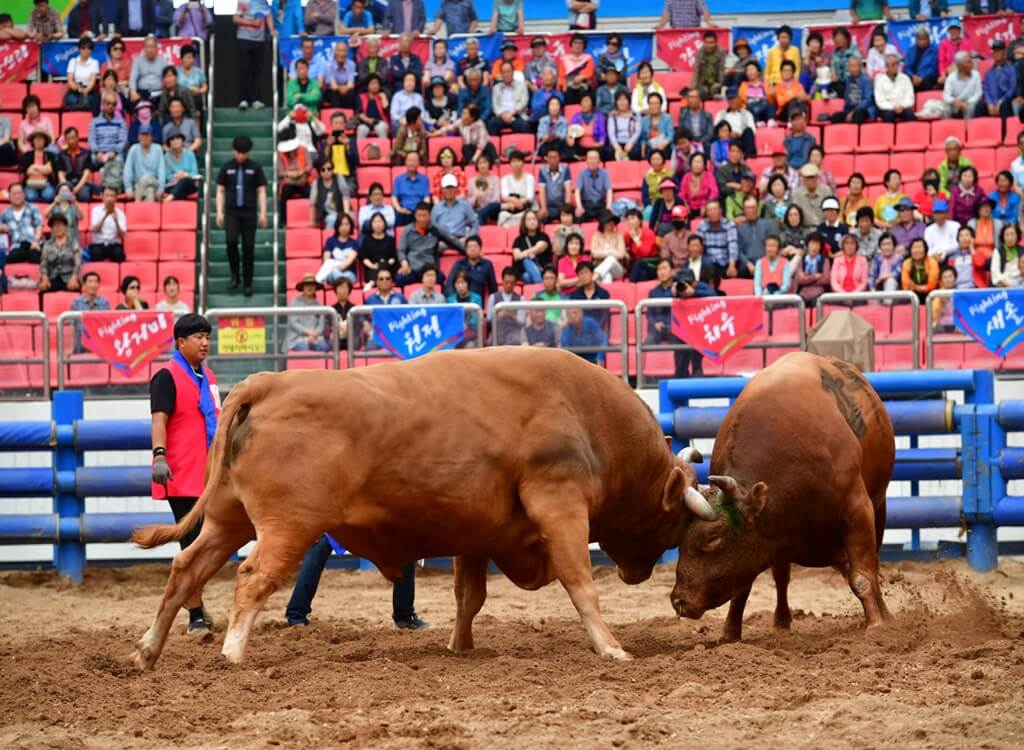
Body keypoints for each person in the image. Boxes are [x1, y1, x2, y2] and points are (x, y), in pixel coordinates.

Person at [149, 314, 219, 638]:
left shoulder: (209, 378)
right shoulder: (167, 376)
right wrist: (159, 456)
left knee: (202, 546)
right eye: (198, 337)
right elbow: (159, 420)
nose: (205, 342)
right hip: (181, 476)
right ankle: (194, 615)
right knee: (191, 547)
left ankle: (197, 607)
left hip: (208, 476)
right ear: (181, 342)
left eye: (207, 336)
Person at [216, 136, 268, 296]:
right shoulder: (226, 168)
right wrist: (219, 212)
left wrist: (263, 212)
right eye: (238, 153)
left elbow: (261, 191)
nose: (241, 156)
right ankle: (234, 274)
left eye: (244, 153)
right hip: (232, 211)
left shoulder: (255, 168)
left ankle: (247, 282)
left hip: (249, 212)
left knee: (248, 247)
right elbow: (220, 190)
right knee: (231, 242)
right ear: (234, 151)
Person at [397, 203, 464, 286]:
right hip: (412, 269)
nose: (421, 219)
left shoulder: (436, 229)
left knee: (441, 278)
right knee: (399, 278)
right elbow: (401, 250)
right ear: (415, 216)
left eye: (424, 216)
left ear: (430, 216)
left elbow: (453, 241)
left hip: (430, 270)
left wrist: (467, 251)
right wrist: (404, 263)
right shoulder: (408, 230)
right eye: (419, 215)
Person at [234, 0, 274, 111]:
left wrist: (272, 30)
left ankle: (256, 99)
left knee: (257, 71)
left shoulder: (263, 2)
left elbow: (268, 15)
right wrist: (252, 23)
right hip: (244, 39)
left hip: (259, 41)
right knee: (244, 70)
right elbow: (235, 18)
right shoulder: (243, 1)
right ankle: (243, 99)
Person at [89, 94, 128, 192]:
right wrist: (97, 152)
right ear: (103, 104)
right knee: (87, 161)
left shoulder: (121, 122)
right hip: (99, 154)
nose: (111, 106)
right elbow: (92, 139)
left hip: (114, 154)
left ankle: (111, 188)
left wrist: (114, 152)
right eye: (108, 103)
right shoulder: (95, 121)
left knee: (120, 160)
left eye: (114, 104)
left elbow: (123, 141)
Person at [37, 214, 80, 295]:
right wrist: (45, 277)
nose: (57, 228)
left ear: (66, 226)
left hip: (69, 277)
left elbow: (78, 263)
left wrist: (74, 277)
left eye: (60, 225)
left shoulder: (73, 243)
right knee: (43, 290)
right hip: (52, 277)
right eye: (55, 226)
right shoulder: (47, 244)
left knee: (75, 289)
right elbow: (43, 263)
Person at [285, 274, 330, 352]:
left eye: (312, 285)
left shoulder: (320, 306)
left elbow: (321, 326)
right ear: (303, 287)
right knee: (304, 348)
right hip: (297, 338)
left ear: (315, 287)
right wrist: (307, 332)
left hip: (316, 337)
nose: (310, 287)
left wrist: (314, 334)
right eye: (307, 285)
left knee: (324, 347)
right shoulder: (294, 302)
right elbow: (293, 323)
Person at [432, 174, 479, 244]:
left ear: (456, 189)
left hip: (460, 239)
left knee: (471, 246)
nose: (449, 190)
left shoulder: (465, 205)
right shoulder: (436, 207)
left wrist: (468, 237)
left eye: (452, 188)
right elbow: (432, 226)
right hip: (442, 240)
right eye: (447, 188)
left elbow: (474, 223)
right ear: (442, 190)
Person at [736, 195, 776, 279]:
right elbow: (739, 251)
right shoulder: (740, 228)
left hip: (766, 262)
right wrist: (748, 264)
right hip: (748, 266)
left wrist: (763, 264)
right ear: (744, 210)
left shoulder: (768, 224)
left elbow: (774, 246)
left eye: (753, 207)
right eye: (747, 208)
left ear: (757, 208)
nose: (750, 210)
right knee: (742, 268)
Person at [124, 124, 165, 202]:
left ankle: (137, 204)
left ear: (151, 137)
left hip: (154, 182)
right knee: (149, 191)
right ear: (138, 137)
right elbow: (128, 169)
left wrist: (161, 188)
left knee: (146, 180)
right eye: (142, 135)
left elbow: (161, 169)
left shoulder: (158, 149)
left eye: (147, 135)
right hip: (139, 185)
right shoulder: (133, 149)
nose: (144, 138)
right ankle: (147, 211)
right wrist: (128, 188)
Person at [309, 159, 352, 230]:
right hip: (325, 213)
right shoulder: (316, 183)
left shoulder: (339, 178)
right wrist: (312, 221)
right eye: (323, 170)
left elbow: (345, 196)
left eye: (329, 169)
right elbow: (312, 203)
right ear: (319, 171)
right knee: (332, 219)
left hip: (341, 210)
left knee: (351, 219)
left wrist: (346, 214)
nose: (326, 172)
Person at [981, 39, 1018, 119]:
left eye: (998, 51)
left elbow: (1012, 89)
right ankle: (977, 131)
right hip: (992, 103)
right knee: (979, 107)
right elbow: (986, 89)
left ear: (1004, 52)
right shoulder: (989, 73)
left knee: (1005, 105)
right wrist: (989, 103)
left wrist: (1000, 102)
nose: (996, 53)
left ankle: (1004, 131)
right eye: (995, 51)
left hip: (1004, 102)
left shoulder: (1011, 69)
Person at [489, 61, 530, 135]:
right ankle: (494, 146)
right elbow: (495, 105)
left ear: (513, 72)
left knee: (523, 126)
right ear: (501, 74)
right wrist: (502, 115)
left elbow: (524, 102)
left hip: (517, 114)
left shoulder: (522, 85)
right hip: (501, 115)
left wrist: (511, 113)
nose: (506, 74)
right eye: (504, 72)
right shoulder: (496, 88)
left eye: (508, 71)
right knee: (492, 124)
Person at [831, 57, 875, 124]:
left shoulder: (866, 80)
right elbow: (847, 97)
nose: (852, 69)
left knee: (857, 116)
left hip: (864, 109)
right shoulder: (848, 79)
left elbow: (867, 100)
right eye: (850, 67)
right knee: (835, 117)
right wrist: (848, 111)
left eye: (854, 66)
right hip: (850, 109)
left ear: (860, 67)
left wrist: (853, 112)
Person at [359, 211, 399, 285]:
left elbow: (393, 257)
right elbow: (363, 257)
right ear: (371, 224)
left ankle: (372, 283)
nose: (378, 224)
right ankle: (372, 281)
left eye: (380, 221)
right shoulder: (366, 240)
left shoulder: (390, 239)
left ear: (384, 223)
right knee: (377, 269)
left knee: (384, 266)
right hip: (372, 269)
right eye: (375, 222)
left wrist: (384, 264)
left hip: (387, 269)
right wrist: (373, 266)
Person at [88, 185, 126, 263]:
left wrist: (116, 221)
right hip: (99, 244)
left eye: (112, 196)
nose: (109, 198)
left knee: (119, 255)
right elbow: (95, 230)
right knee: (96, 255)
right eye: (107, 195)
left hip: (114, 244)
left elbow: (122, 235)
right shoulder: (96, 210)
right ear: (102, 197)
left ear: (116, 198)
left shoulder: (120, 213)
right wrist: (105, 216)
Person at [498, 151, 535, 227]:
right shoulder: (505, 179)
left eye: (518, 161)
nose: (516, 164)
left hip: (525, 208)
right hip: (510, 208)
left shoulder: (529, 177)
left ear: (523, 163)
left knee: (529, 216)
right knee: (502, 215)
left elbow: (529, 197)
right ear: (510, 164)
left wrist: (519, 203)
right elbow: (504, 196)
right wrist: (515, 202)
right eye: (513, 161)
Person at [319, 214, 359, 285]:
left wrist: (338, 267)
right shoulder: (330, 241)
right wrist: (336, 269)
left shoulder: (354, 243)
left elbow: (348, 263)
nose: (344, 227)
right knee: (336, 273)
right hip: (332, 272)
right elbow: (326, 260)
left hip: (349, 272)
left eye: (346, 224)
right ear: (337, 226)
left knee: (347, 276)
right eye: (341, 224)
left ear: (351, 226)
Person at [875, 54, 916, 123]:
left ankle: (908, 133)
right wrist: (892, 107)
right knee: (888, 115)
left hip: (903, 107)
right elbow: (880, 100)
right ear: (887, 66)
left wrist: (902, 106)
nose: (896, 67)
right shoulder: (880, 80)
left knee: (910, 115)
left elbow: (910, 96)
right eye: (893, 64)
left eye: (897, 64)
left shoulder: (905, 78)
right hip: (887, 108)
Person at [20, 131, 58, 204]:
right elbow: (28, 171)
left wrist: (34, 166)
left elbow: (48, 170)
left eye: (41, 139)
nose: (38, 141)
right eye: (36, 139)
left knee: (48, 195)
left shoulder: (51, 155)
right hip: (30, 183)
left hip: (47, 183)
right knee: (30, 196)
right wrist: (43, 168)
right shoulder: (27, 155)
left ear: (45, 141)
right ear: (32, 141)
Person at [942, 52, 982, 120]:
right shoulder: (951, 78)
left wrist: (968, 102)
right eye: (968, 62)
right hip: (956, 103)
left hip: (969, 103)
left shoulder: (976, 75)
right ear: (960, 66)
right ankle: (949, 129)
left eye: (971, 61)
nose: (972, 64)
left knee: (970, 107)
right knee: (946, 108)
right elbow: (946, 95)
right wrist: (954, 101)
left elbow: (978, 94)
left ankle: (967, 129)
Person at [575, 149, 612, 222]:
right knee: (577, 218)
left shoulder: (604, 173)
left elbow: (609, 190)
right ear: (587, 161)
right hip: (587, 204)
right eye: (590, 159)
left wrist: (608, 206)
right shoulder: (582, 173)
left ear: (599, 161)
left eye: (595, 159)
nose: (593, 161)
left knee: (608, 219)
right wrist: (579, 206)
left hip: (600, 204)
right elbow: (577, 191)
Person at [537, 150, 572, 224]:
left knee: (571, 218)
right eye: (550, 158)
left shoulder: (565, 169)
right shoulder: (542, 170)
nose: (552, 160)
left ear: (559, 158)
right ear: (547, 159)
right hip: (549, 207)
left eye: (555, 157)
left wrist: (566, 209)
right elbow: (542, 190)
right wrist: (543, 207)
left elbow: (568, 189)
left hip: (562, 206)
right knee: (540, 219)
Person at [590, 212, 627, 283]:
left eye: (612, 221)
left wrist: (603, 252)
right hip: (600, 266)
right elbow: (594, 253)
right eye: (608, 221)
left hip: (617, 269)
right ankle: (603, 293)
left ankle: (593, 277)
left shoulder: (619, 236)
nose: (611, 223)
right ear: (602, 223)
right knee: (607, 276)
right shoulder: (596, 236)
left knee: (611, 259)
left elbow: (621, 254)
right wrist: (612, 251)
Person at [65, 37, 99, 113]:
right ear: (79, 49)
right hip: (75, 90)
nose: (85, 50)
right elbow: (70, 81)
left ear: (91, 50)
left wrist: (85, 91)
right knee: (72, 100)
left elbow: (92, 82)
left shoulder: (94, 62)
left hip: (88, 91)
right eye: (83, 48)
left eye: (88, 48)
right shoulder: (73, 61)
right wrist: (78, 89)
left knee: (90, 100)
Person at [679, 153, 719, 219]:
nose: (697, 165)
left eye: (699, 162)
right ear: (691, 164)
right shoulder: (686, 176)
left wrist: (706, 205)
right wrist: (685, 205)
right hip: (689, 208)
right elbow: (682, 194)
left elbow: (714, 192)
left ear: (704, 164)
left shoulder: (709, 175)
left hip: (705, 208)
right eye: (695, 162)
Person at [795, 232, 830, 304]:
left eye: (817, 244)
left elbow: (826, 279)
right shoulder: (801, 260)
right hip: (803, 295)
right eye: (812, 243)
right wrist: (815, 276)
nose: (814, 247)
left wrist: (806, 277)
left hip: (820, 294)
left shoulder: (825, 260)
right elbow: (799, 280)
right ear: (808, 245)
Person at [162, 131, 198, 202]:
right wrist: (176, 176)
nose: (175, 141)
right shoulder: (166, 156)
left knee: (184, 181)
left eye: (178, 138)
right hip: (173, 184)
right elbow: (166, 175)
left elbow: (194, 173)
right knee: (181, 189)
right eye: (172, 139)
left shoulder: (190, 154)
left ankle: (169, 199)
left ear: (182, 140)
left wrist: (185, 175)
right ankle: (180, 210)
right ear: (169, 143)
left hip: (189, 183)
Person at [901, 237, 940, 302]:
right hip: (912, 294)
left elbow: (932, 285)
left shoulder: (932, 262)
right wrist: (914, 288)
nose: (917, 250)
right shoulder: (906, 263)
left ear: (925, 250)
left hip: (930, 294)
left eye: (919, 247)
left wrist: (916, 287)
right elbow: (906, 285)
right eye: (914, 247)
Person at [606, 92, 641, 162]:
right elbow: (611, 133)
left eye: (625, 99)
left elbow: (637, 131)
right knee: (608, 151)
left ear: (629, 101)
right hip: (616, 142)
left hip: (630, 142)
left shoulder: (635, 115)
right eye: (619, 100)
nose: (622, 102)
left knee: (635, 152)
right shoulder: (612, 116)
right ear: (616, 102)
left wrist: (631, 143)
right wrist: (616, 146)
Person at [692, 31, 726, 101]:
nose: (709, 45)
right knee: (703, 92)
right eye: (707, 43)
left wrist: (721, 84)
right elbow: (697, 71)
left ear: (716, 42)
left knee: (715, 90)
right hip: (703, 82)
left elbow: (721, 70)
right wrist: (693, 88)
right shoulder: (700, 52)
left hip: (716, 82)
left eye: (712, 42)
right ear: (704, 43)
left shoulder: (721, 51)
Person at [938, 20, 971, 87]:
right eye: (951, 30)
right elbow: (941, 61)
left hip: (962, 71)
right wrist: (942, 73)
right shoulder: (943, 44)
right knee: (941, 81)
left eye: (955, 29)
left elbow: (967, 59)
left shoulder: (966, 43)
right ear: (948, 31)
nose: (953, 32)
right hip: (948, 73)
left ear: (959, 31)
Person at [905, 26, 938, 93]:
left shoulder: (934, 51)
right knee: (905, 79)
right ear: (916, 40)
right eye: (919, 39)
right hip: (913, 76)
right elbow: (907, 66)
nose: (922, 41)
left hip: (926, 77)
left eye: (924, 39)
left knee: (928, 80)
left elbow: (933, 68)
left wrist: (921, 77)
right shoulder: (911, 50)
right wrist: (913, 76)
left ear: (928, 39)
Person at [992, 224, 1022, 288]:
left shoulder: (1022, 250)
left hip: (1020, 284)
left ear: (1017, 236)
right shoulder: (998, 251)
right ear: (1003, 237)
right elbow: (995, 273)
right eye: (1007, 234)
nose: (1010, 237)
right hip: (1002, 285)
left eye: (1012, 234)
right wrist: (1009, 284)